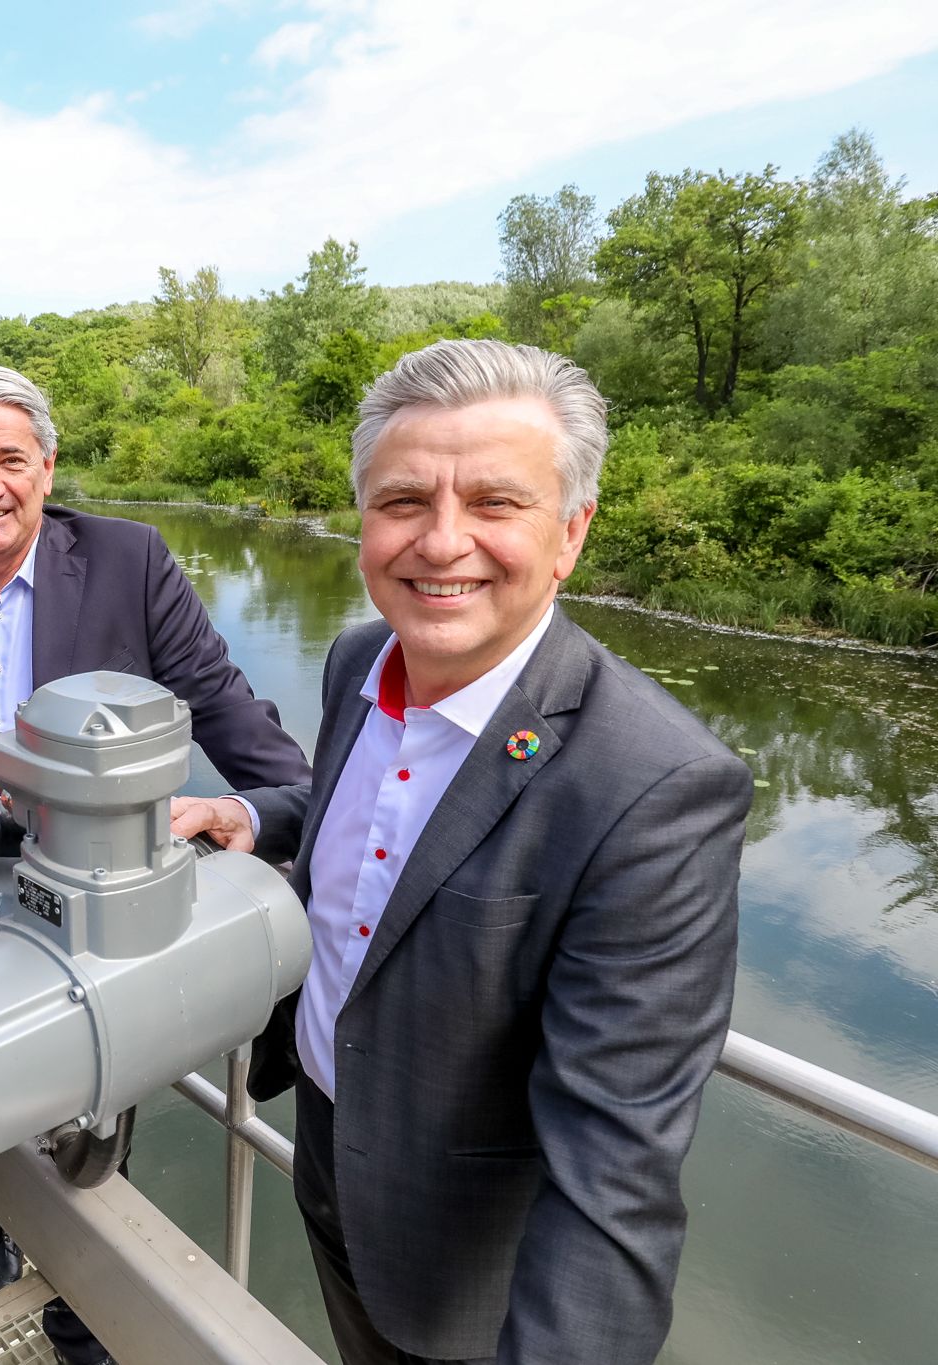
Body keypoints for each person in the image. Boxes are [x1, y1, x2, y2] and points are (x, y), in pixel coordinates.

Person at [172, 339, 752, 1365]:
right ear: (361, 520)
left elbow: (612, 1177)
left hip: (465, 1266)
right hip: (320, 1148)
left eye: (494, 503)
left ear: (569, 533)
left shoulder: (654, 788)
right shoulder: (361, 657)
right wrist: (259, 820)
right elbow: (396, 818)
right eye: (402, 501)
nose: (440, 544)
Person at [0, 365, 311, 1363]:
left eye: (9, 458)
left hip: (83, 929)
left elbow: (223, 707)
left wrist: (273, 805)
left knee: (89, 1124)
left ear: (46, 465)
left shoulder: (128, 562)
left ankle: (79, 1311)